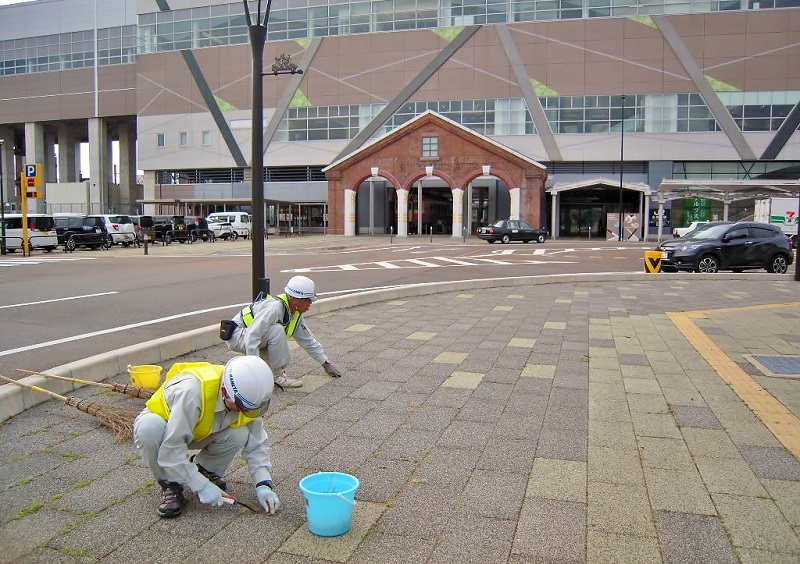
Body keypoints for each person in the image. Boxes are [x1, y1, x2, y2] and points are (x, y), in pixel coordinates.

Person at [133, 356, 281, 518]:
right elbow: (172, 449)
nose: (245, 413)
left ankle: (204, 472)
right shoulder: (192, 392)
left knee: (240, 433)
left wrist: (263, 484)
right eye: (241, 407)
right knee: (149, 428)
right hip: (167, 429)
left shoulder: (249, 399)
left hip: (200, 429)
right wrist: (201, 487)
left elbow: (257, 442)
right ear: (225, 392)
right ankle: (170, 483)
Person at [226, 275, 342, 388]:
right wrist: (255, 370)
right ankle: (277, 377)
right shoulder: (274, 308)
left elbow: (308, 340)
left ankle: (270, 374)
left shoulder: (295, 313)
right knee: (276, 330)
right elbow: (253, 336)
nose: (310, 303)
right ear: (295, 299)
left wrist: (326, 363)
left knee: (275, 332)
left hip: (250, 337)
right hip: (238, 337)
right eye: (308, 300)